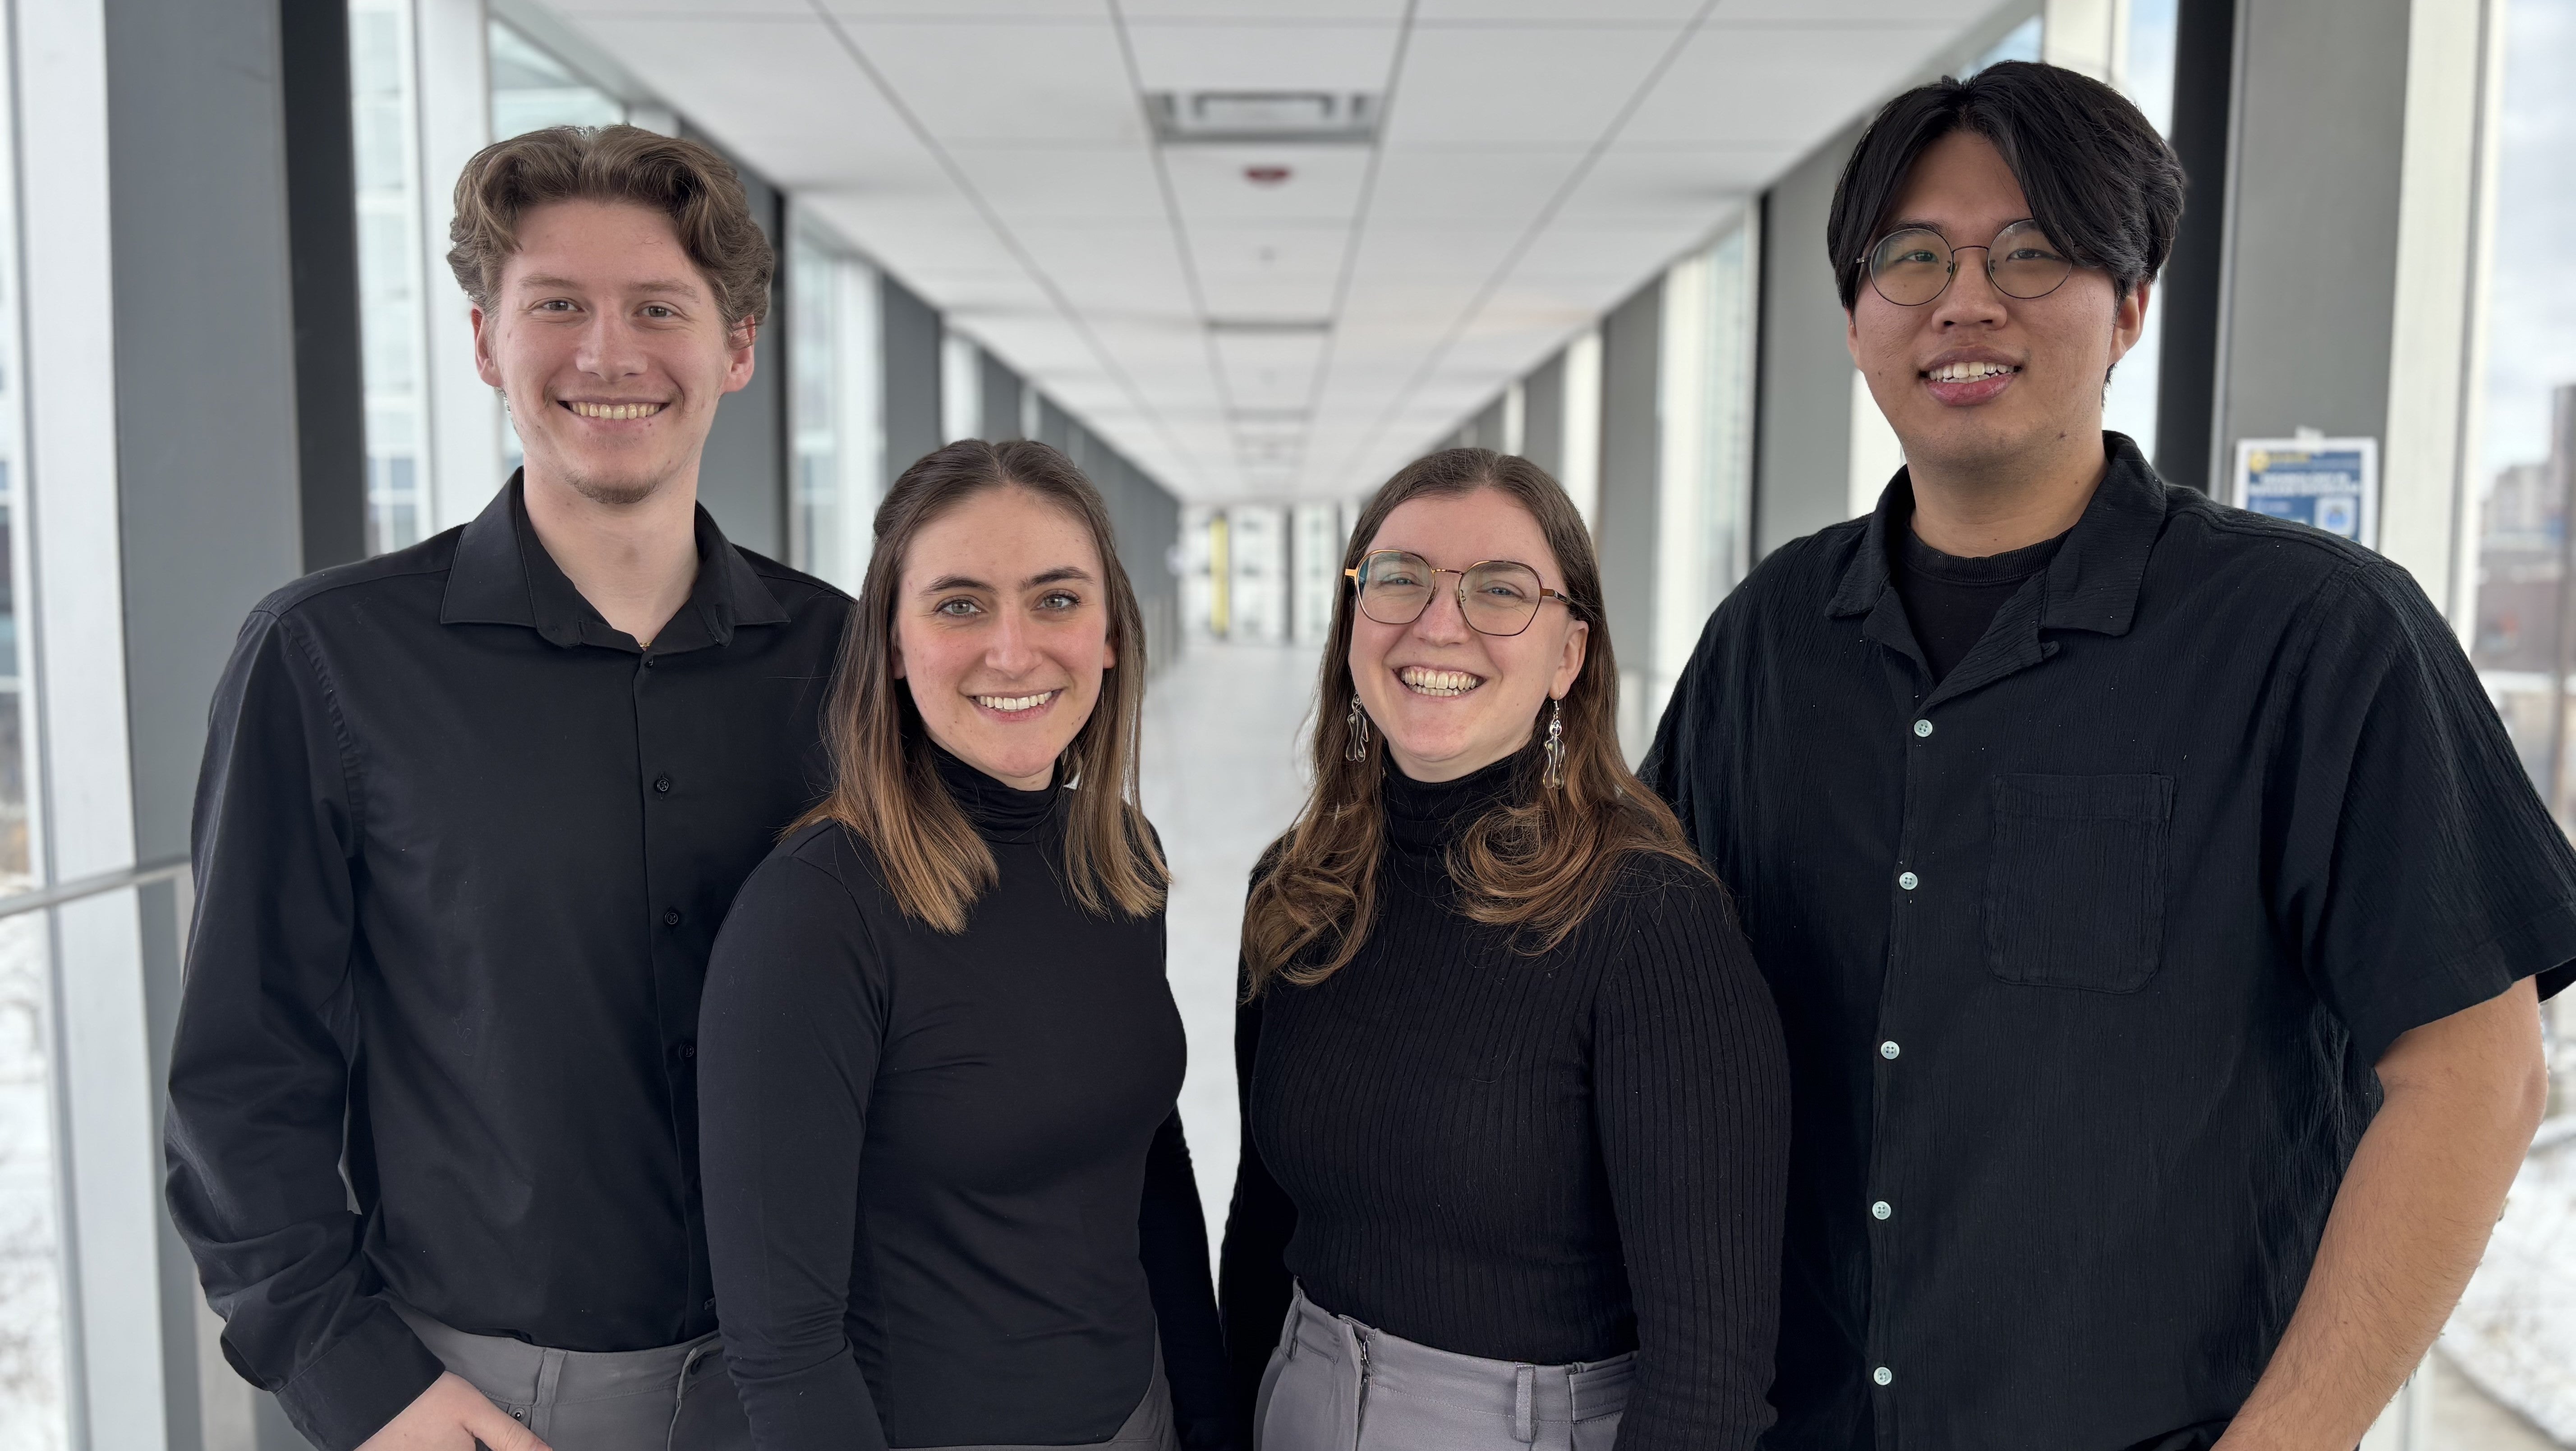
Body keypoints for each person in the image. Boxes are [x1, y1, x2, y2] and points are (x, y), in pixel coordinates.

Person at [1642, 60, 2576, 1451]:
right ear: (1854, 315)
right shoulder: (1768, 640)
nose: (1966, 300)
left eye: (2031, 252)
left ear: (2131, 303)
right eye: (1912, 256)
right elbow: (1642, 1006)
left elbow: (2476, 1076)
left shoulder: (2317, 636)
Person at [165, 124, 843, 1451]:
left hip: (814, 1382)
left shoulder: (848, 660)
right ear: (486, 343)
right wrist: (361, 1383)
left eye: (660, 308)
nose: (609, 354)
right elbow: (245, 1074)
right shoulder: (327, 657)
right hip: (478, 1403)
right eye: (558, 306)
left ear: (738, 347)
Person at [1219, 449, 1790, 1451]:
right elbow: (1264, 1221)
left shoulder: (1650, 922)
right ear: (1354, 622)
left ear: (1570, 655)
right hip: (1296, 1404)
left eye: (1500, 590)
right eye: (1400, 579)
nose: (1439, 624)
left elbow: (1708, 1378)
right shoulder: (1297, 891)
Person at [696, 439, 1230, 1451]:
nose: (1013, 651)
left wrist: (1209, 1414)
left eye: (1056, 599)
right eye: (959, 605)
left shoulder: (1121, 856)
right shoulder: (817, 914)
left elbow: (1148, 1162)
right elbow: (784, 1344)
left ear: (1112, 634)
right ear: (893, 646)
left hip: (1142, 1413)